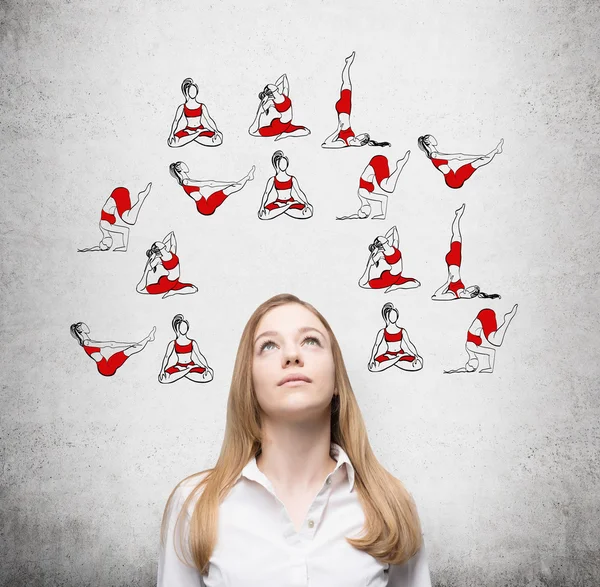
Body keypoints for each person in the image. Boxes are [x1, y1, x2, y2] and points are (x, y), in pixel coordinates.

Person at [157, 293, 432, 586]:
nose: (292, 355)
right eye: (269, 345)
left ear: (338, 379)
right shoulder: (194, 505)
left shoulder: (391, 506)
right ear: (248, 383)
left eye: (311, 341)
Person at [431, 203, 501, 301]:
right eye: (467, 289)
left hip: (453, 261)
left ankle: (458, 215)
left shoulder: (453, 295)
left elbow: (435, 297)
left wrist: (447, 282)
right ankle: (458, 215)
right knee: (456, 235)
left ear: (469, 296)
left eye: (467, 291)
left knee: (456, 235)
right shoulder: (462, 290)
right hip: (455, 260)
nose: (465, 290)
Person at [322, 52, 391, 149]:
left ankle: (348, 63)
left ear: (359, 144)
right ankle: (348, 63)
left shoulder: (343, 143)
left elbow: (325, 144)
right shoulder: (352, 139)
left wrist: (338, 130)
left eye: (357, 139)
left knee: (346, 83)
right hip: (346, 108)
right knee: (346, 83)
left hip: (343, 109)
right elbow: (365, 141)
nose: (355, 138)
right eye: (357, 137)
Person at [77, 183, 152, 252]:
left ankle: (141, 198)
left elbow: (126, 230)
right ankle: (140, 198)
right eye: (108, 247)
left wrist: (124, 247)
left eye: (106, 246)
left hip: (118, 195)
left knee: (130, 220)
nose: (109, 246)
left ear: (103, 240)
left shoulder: (104, 226)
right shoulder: (104, 228)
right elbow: (96, 248)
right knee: (128, 217)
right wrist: (87, 250)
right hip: (119, 194)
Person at [444, 304, 518, 374]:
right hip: (485, 315)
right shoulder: (470, 350)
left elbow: (492, 352)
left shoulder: (471, 348)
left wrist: (490, 369)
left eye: (472, 366)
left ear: (469, 362)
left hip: (484, 316)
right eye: (474, 369)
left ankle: (507, 319)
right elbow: (461, 369)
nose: (475, 367)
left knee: (496, 341)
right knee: (494, 339)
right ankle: (507, 319)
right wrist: (452, 371)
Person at [336, 153, 410, 220]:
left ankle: (399, 166)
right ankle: (399, 166)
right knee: (386, 185)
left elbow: (384, 198)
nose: (367, 213)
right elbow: (353, 216)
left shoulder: (363, 194)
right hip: (378, 161)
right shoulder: (363, 196)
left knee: (388, 187)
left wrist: (383, 215)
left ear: (361, 209)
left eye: (364, 213)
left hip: (377, 162)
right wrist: (346, 218)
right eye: (366, 215)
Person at [417, 135, 503, 189]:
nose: (434, 139)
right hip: (454, 181)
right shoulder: (434, 155)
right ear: (428, 142)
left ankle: (496, 150)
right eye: (432, 138)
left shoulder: (435, 154)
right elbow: (458, 156)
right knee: (479, 161)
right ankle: (496, 151)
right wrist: (478, 156)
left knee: (478, 162)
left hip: (454, 177)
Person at [169, 161, 255, 216]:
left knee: (229, 189)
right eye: (183, 165)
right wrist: (229, 183)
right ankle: (248, 177)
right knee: (230, 188)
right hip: (206, 208)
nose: (186, 165)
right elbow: (210, 183)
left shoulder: (186, 180)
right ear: (180, 169)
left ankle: (248, 177)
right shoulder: (186, 182)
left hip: (205, 204)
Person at [70, 322, 155, 377]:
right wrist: (129, 343)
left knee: (130, 350)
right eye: (83, 325)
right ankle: (148, 338)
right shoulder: (87, 343)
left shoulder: (87, 342)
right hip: (106, 369)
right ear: (80, 329)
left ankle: (148, 338)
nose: (86, 326)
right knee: (131, 349)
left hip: (106, 364)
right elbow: (111, 344)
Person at [136, 231, 198, 298]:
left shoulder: (172, 251)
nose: (161, 242)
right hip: (168, 284)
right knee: (140, 290)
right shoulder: (159, 260)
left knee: (194, 289)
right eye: (158, 244)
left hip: (172, 281)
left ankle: (173, 291)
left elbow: (171, 234)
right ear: (159, 249)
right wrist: (151, 259)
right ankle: (173, 291)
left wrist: (161, 246)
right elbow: (148, 269)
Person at [359, 226, 421, 292]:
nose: (384, 237)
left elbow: (394, 229)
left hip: (394, 275)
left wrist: (384, 239)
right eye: (381, 238)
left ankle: (396, 286)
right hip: (390, 278)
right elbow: (371, 263)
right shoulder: (381, 254)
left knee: (417, 283)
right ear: (381, 244)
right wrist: (374, 253)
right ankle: (395, 286)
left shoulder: (394, 246)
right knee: (362, 284)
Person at [248, 74, 310, 140]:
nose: (273, 85)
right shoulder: (271, 102)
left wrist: (272, 90)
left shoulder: (284, 94)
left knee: (307, 131)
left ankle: (286, 134)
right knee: (252, 132)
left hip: (284, 123)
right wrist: (263, 102)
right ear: (271, 92)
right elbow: (261, 111)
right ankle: (285, 134)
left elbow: (284, 77)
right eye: (271, 86)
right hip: (281, 126)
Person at [167, 78, 223, 148]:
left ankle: (193, 136)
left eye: (194, 90)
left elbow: (209, 119)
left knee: (219, 139)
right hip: (188, 130)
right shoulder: (182, 107)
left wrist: (216, 130)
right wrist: (171, 133)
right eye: (191, 91)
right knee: (172, 143)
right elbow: (176, 121)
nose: (193, 92)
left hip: (201, 129)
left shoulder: (202, 106)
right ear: (187, 92)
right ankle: (195, 134)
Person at [158, 314, 214, 384]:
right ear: (178, 328)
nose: (184, 329)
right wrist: (162, 370)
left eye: (185, 326)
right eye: (182, 327)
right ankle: (186, 370)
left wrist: (207, 366)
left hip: (191, 365)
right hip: (178, 366)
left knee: (209, 375)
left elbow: (199, 355)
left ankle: (184, 372)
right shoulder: (173, 343)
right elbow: (166, 357)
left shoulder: (192, 342)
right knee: (162, 379)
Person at [368, 302, 423, 372]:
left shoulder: (402, 331)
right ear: (387, 316)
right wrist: (372, 358)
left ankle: (394, 360)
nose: (393, 317)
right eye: (391, 315)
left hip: (401, 353)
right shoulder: (382, 331)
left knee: (418, 364)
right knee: (372, 367)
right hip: (388, 355)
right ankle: (396, 359)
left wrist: (416, 355)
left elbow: (409, 344)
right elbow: (376, 345)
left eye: (395, 315)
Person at [257, 150, 313, 220]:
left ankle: (284, 208)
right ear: (277, 164)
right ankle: (286, 207)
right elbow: (266, 193)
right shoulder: (272, 179)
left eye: (285, 163)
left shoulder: (292, 178)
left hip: (291, 201)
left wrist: (306, 203)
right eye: (281, 163)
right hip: (278, 203)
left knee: (309, 212)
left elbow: (299, 192)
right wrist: (262, 206)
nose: (284, 165)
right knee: (262, 215)